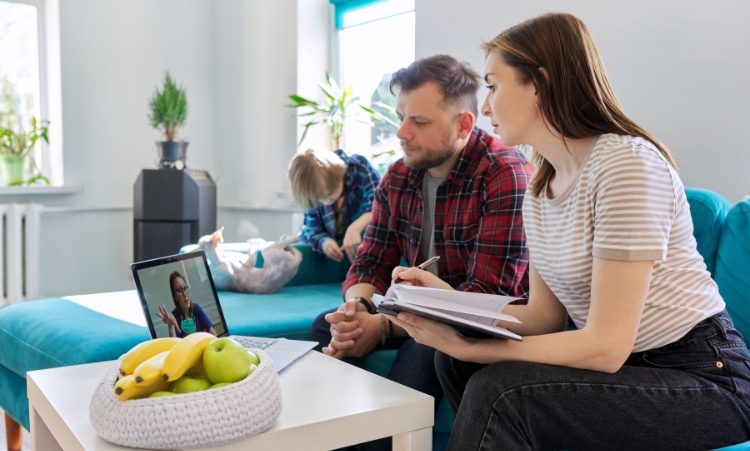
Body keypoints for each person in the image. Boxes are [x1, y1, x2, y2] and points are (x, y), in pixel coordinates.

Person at [387, 12, 750, 451]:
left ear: (538, 84)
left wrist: (477, 349)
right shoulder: (541, 187)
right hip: (628, 370)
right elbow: (543, 317)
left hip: (701, 375)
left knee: (497, 389)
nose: (484, 107)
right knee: (452, 363)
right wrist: (442, 300)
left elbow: (606, 346)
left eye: (494, 85)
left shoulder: (625, 164)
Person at [310, 54, 533, 451]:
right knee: (326, 327)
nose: (401, 133)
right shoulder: (398, 175)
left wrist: (382, 327)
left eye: (419, 122)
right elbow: (371, 260)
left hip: (467, 322)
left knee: (424, 351)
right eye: (401, 117)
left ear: (464, 124)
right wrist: (356, 310)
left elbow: (482, 299)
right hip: (406, 313)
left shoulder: (504, 174)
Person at [289, 147, 381, 262]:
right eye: (319, 200)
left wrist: (354, 229)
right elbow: (310, 229)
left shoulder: (360, 168)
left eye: (329, 194)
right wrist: (325, 242)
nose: (326, 202)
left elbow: (380, 206)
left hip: (370, 248)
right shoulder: (313, 193)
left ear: (340, 173)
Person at [157, 271, 217, 338]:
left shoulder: (196, 309)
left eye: (185, 288)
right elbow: (174, 345)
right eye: (179, 290)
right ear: (175, 296)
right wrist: (170, 325)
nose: (185, 294)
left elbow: (214, 334)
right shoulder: (174, 317)